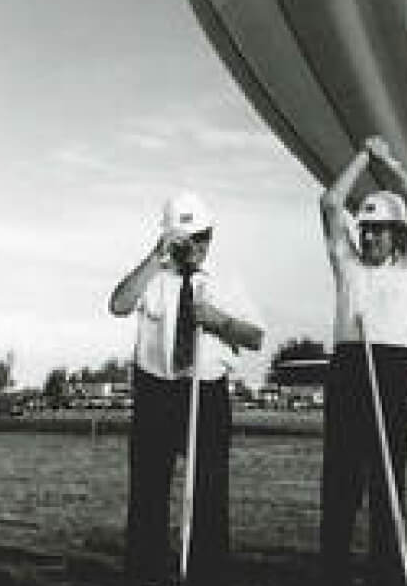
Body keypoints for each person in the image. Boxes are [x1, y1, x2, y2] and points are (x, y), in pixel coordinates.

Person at [109, 191, 263, 586]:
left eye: (202, 238)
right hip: (155, 390)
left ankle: (207, 575)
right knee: (147, 495)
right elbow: (118, 304)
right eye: (185, 239)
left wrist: (219, 321)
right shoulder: (154, 274)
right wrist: (153, 256)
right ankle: (144, 575)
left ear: (211, 236)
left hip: (206, 391)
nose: (195, 247)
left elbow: (256, 336)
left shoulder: (226, 278)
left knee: (209, 496)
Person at [319, 135, 407, 586]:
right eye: (365, 228)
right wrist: (362, 157)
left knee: (389, 474)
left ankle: (386, 568)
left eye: (379, 229)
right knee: (342, 474)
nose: (369, 235)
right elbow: (331, 201)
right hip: (349, 367)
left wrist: (389, 161)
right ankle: (334, 570)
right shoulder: (346, 264)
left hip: (396, 371)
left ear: (397, 235)